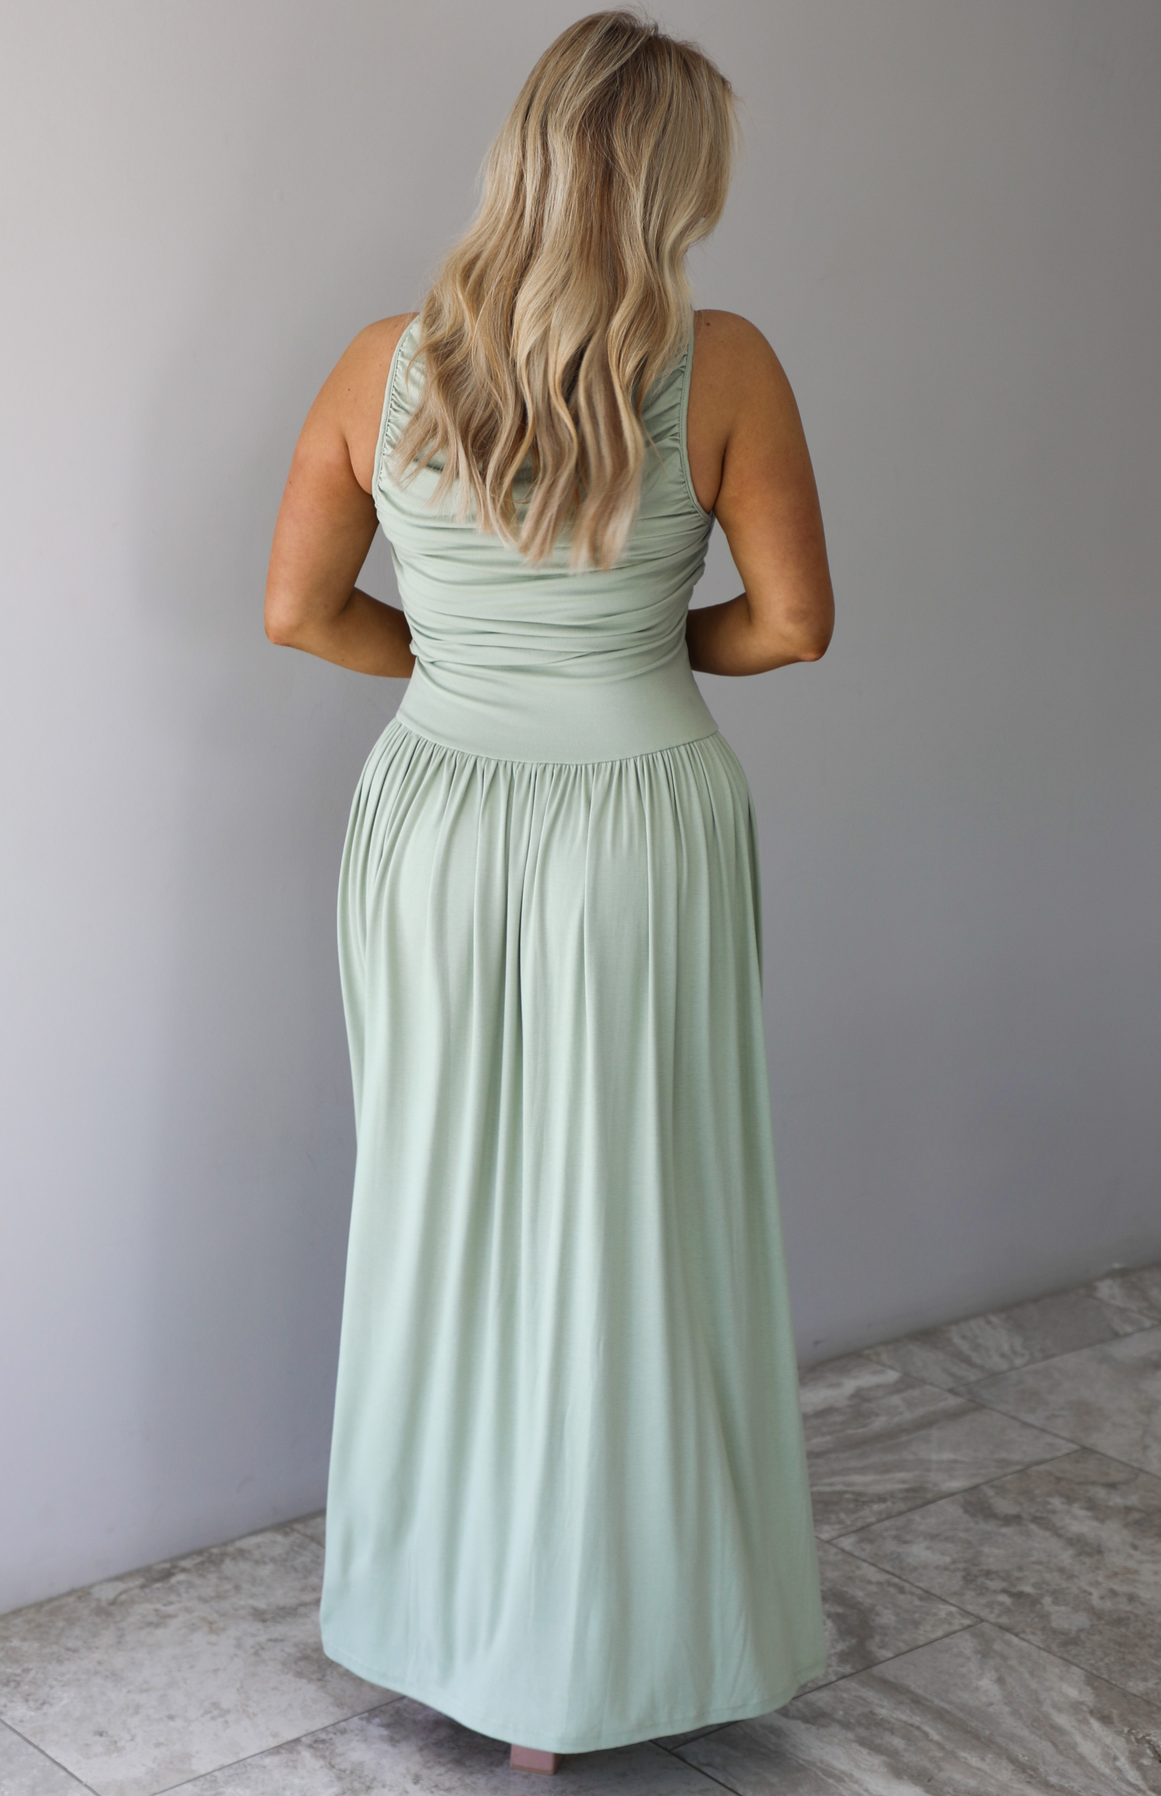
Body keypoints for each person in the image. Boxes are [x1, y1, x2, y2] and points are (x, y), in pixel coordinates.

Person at [264, 9, 834, 1774]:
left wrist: (466, 670)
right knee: (633, 1215)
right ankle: (594, 1664)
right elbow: (794, 625)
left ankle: (440, 1627)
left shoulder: (382, 364)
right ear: (679, 183)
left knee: (440, 1208)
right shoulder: (725, 365)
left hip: (434, 820)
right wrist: (629, 653)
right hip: (639, 819)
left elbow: (298, 610)